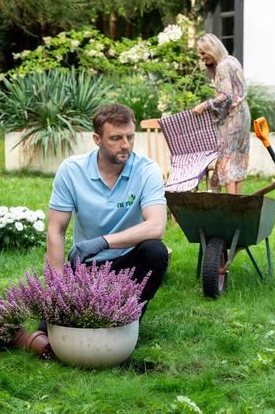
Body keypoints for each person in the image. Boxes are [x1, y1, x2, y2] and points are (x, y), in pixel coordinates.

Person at [46, 103, 169, 313]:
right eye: (116, 138)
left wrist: (102, 242)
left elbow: (156, 227)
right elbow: (55, 230)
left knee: (156, 251)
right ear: (97, 139)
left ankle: (129, 314)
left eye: (130, 137)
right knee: (57, 324)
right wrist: (56, 286)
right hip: (87, 264)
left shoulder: (147, 170)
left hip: (130, 262)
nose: (125, 145)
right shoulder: (71, 171)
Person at [192, 33, 251, 195]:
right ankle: (238, 202)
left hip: (233, 117)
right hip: (243, 114)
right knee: (238, 158)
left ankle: (232, 204)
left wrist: (205, 105)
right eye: (200, 54)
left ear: (213, 48)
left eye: (204, 53)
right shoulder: (232, 60)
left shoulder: (223, 66)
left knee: (227, 159)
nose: (202, 57)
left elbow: (226, 96)